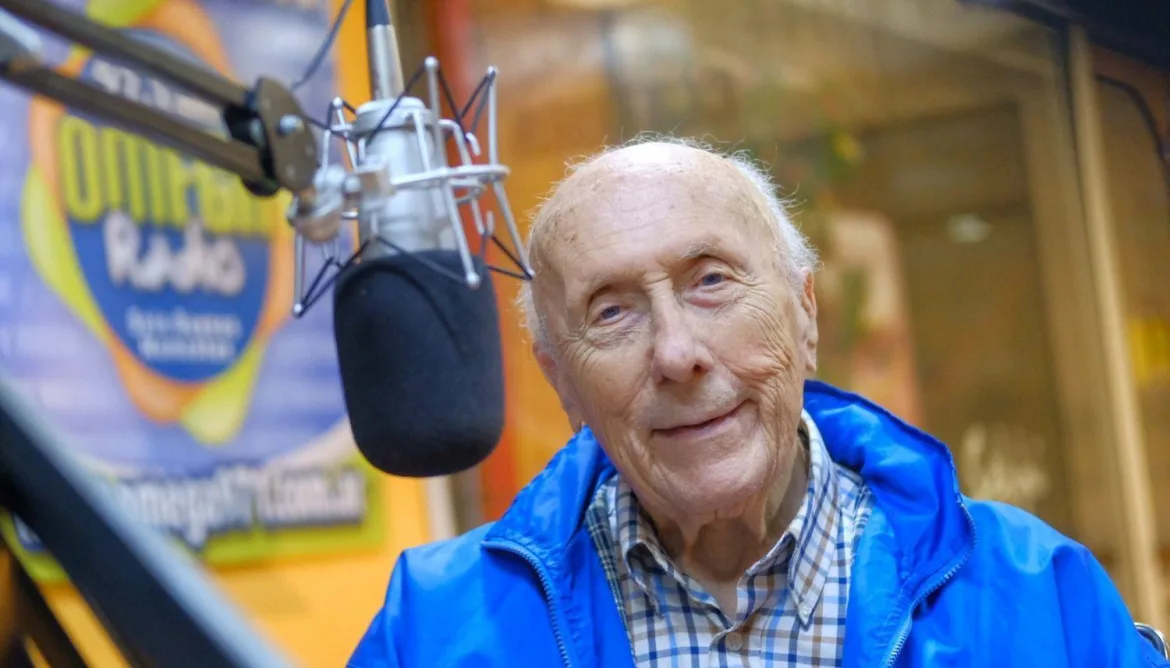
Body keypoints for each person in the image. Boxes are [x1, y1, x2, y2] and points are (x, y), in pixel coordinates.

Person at [348, 137, 1169, 667]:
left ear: (805, 314)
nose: (677, 353)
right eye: (612, 312)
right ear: (562, 381)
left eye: (711, 280)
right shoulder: (432, 628)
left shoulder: (1041, 597)